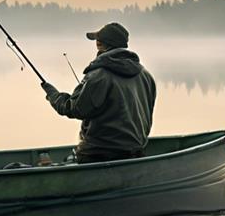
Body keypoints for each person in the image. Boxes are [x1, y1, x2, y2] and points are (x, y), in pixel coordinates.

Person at [41, 22, 156, 164]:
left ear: (101, 45)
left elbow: (74, 109)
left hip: (98, 153)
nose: (96, 44)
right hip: (135, 150)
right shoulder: (146, 75)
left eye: (97, 41)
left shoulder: (98, 76)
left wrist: (53, 95)